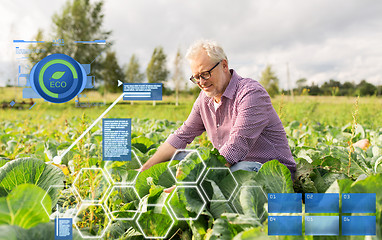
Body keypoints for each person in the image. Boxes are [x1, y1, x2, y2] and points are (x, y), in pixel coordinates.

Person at [139, 39, 296, 178]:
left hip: (269, 171)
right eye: (196, 77)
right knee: (178, 158)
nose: (201, 82)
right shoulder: (204, 99)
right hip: (230, 166)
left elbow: (235, 148)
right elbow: (182, 135)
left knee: (240, 170)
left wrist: (194, 182)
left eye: (205, 74)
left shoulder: (251, 93)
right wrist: (145, 168)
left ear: (224, 65)